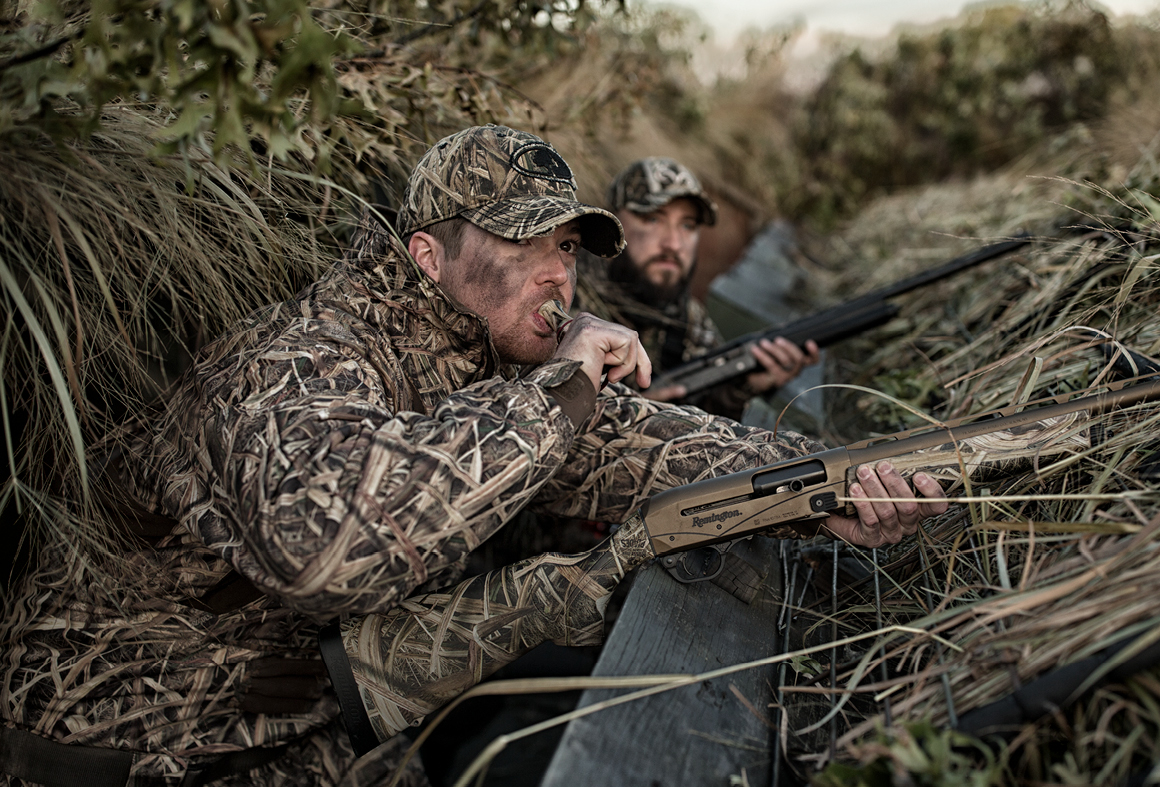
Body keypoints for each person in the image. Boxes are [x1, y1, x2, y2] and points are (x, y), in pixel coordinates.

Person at [0, 126, 947, 786]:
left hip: (300, 732)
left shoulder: (496, 362)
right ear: (427, 257)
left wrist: (832, 484)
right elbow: (329, 550)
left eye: (569, 247)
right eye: (523, 240)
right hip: (119, 751)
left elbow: (649, 445)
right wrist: (568, 386)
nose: (558, 272)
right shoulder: (298, 359)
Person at [575, 157, 821, 420]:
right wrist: (624, 414)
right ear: (611, 224)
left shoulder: (687, 317)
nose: (674, 243)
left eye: (687, 225)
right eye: (652, 219)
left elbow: (707, 405)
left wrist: (744, 388)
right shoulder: (569, 303)